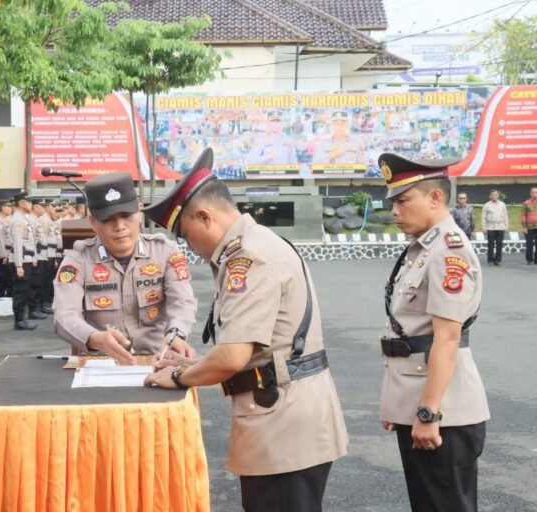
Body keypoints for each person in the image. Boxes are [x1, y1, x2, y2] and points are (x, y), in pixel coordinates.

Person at [142, 148, 348, 512]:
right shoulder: (256, 244)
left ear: (205, 216)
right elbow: (251, 348)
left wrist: (178, 375)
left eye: (187, 236)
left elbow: (234, 355)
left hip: (283, 424)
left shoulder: (248, 256)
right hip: (285, 414)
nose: (191, 248)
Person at [377, 153, 489, 512]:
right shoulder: (425, 247)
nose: (395, 209)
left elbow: (447, 338)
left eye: (403, 200)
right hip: (426, 405)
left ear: (435, 198)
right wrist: (402, 405)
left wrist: (428, 413)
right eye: (392, 201)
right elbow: (409, 334)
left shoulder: (447, 251)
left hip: (444, 412)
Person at [53, 172, 198, 362]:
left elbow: (182, 302)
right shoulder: (77, 260)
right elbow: (65, 315)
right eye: (108, 219)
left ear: (139, 213)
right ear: (93, 222)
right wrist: (95, 339)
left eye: (126, 215)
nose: (120, 226)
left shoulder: (165, 252)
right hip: (101, 363)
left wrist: (175, 334)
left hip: (156, 359)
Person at [7, 192, 37, 331]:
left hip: (26, 259)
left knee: (25, 290)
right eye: (29, 202)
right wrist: (19, 265)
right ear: (21, 203)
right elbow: (18, 244)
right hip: (21, 260)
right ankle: (19, 320)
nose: (31, 205)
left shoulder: (23, 219)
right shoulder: (17, 220)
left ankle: (22, 318)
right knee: (20, 290)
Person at [27, 198, 50, 319]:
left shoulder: (36, 219)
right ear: (35, 207)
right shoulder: (30, 219)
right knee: (35, 283)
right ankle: (33, 309)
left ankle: (38, 306)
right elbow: (33, 240)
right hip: (37, 254)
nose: (44, 208)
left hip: (41, 255)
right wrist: (34, 256)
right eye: (42, 206)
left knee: (40, 282)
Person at [481, 189, 508, 266]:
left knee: (499, 244)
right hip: (490, 227)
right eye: (492, 195)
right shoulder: (486, 205)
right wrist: (484, 227)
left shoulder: (502, 204)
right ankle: (490, 260)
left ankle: (498, 260)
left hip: (501, 227)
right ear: (489, 196)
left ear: (498, 196)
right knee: (491, 244)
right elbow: (483, 217)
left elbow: (505, 215)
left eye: (495, 195)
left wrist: (506, 226)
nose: (494, 196)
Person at [521, 186, 537, 265]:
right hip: (529, 227)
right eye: (533, 192)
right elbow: (523, 216)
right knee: (529, 244)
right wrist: (524, 227)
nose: (535, 194)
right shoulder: (526, 203)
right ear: (530, 193)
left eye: (536, 192)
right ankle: (529, 259)